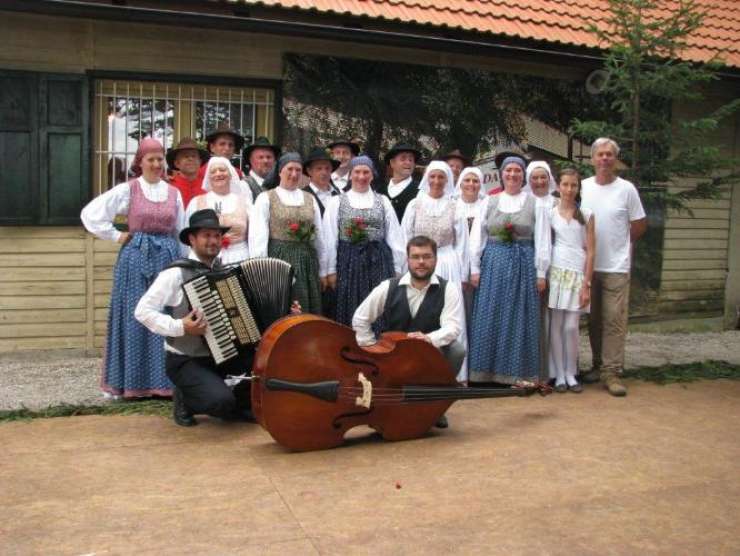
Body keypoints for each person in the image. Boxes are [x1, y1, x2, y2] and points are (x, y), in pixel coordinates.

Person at [81, 138, 186, 398]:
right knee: (134, 316)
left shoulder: (174, 193)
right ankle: (131, 384)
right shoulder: (129, 189)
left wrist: (185, 265)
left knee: (165, 315)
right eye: (150, 159)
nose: (156, 164)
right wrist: (116, 236)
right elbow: (91, 214)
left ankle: (163, 384)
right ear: (140, 162)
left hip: (166, 259)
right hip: (135, 259)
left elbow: (181, 230)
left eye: (160, 159)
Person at [134, 209, 253, 426]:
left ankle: (233, 399)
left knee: (267, 371)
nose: (213, 241)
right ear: (192, 239)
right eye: (207, 235)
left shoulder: (225, 271)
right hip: (186, 359)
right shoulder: (175, 274)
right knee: (221, 402)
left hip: (223, 355)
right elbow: (142, 311)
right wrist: (181, 326)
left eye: (217, 236)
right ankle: (186, 399)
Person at [352, 235, 465, 428]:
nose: (421, 262)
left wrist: (428, 339)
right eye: (416, 256)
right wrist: (371, 347)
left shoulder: (449, 289)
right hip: (393, 356)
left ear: (436, 259)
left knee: (456, 350)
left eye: (427, 256)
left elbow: (453, 327)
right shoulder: (388, 287)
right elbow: (360, 319)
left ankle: (436, 408)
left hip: (430, 355)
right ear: (408, 259)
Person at [468, 154, 551, 385]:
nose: (512, 175)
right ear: (502, 174)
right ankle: (485, 374)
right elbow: (477, 237)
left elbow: (542, 240)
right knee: (490, 313)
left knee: (519, 316)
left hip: (524, 264)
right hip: (494, 264)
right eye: (508, 171)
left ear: (523, 175)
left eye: (517, 171)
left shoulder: (535, 203)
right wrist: (475, 268)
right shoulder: (489, 201)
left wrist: (541, 272)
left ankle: (518, 372)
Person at [580, 138, 647, 396]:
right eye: (600, 154)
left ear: (615, 159)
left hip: (616, 267)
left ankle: (613, 373)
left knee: (614, 320)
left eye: (610, 155)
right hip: (589, 266)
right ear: (593, 159)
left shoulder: (626, 189)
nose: (605, 159)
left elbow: (639, 225)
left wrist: (620, 244)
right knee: (594, 319)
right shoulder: (583, 188)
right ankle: (598, 365)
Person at [401, 161, 469, 382]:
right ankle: (419, 370)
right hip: (419, 263)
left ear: (448, 180)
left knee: (450, 313)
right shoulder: (415, 204)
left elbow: (463, 243)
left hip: (447, 261)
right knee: (420, 311)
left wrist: (463, 270)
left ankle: (454, 374)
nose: (437, 181)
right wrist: (405, 266)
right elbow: (405, 237)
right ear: (427, 178)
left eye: (442, 177)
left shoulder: (455, 206)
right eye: (433, 177)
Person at [324, 155, 405, 328]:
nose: (361, 176)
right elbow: (329, 239)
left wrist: (397, 268)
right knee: (349, 311)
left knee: (378, 311)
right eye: (357, 172)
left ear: (372, 175)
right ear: (350, 175)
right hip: (348, 264)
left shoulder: (383, 201)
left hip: (379, 263)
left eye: (366, 172)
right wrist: (330, 270)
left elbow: (395, 236)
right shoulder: (337, 202)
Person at [249, 152, 327, 315]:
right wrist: (262, 273)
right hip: (279, 260)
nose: (294, 174)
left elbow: (319, 237)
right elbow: (258, 238)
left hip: (307, 262)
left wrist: (323, 270)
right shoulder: (266, 198)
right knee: (283, 309)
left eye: (298, 170)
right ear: (280, 171)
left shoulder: (309, 198)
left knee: (306, 309)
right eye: (289, 169)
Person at [548, 169, 595, 393]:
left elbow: (591, 251)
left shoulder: (586, 214)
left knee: (571, 327)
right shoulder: (550, 213)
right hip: (557, 272)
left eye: (573, 185)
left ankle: (570, 372)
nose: (568, 189)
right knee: (556, 326)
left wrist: (587, 284)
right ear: (558, 186)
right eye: (565, 185)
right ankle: (558, 375)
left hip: (577, 273)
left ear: (578, 188)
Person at [525, 160, 559, 381]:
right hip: (531, 264)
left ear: (549, 179)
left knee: (555, 318)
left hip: (557, 263)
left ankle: (556, 370)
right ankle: (535, 367)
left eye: (542, 177)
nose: (539, 182)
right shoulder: (525, 202)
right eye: (534, 178)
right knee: (534, 316)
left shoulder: (557, 203)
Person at [187, 156, 252, 265]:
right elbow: (190, 238)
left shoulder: (245, 202)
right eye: (213, 171)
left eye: (222, 170)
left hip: (240, 257)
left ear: (230, 174)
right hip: (205, 259)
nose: (218, 174)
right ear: (208, 177)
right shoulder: (196, 202)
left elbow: (254, 235)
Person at [454, 167, 486, 348]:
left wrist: (473, 269)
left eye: (475, 181)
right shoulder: (452, 204)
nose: (471, 184)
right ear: (460, 183)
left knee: (477, 313)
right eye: (467, 180)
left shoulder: (486, 204)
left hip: (480, 267)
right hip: (455, 265)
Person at [377, 142, 422, 223]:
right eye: (403, 158)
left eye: (411, 159)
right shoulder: (380, 191)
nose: (408, 162)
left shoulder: (420, 191)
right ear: (392, 163)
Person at [166, 137, 209, 208]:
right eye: (186, 156)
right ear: (177, 163)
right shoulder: (169, 187)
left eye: (194, 156)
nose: (190, 159)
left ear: (200, 162)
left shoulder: (208, 186)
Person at [303, 147, 342, 216]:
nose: (324, 172)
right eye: (319, 168)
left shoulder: (339, 193)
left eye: (327, 168)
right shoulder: (302, 195)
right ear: (309, 171)